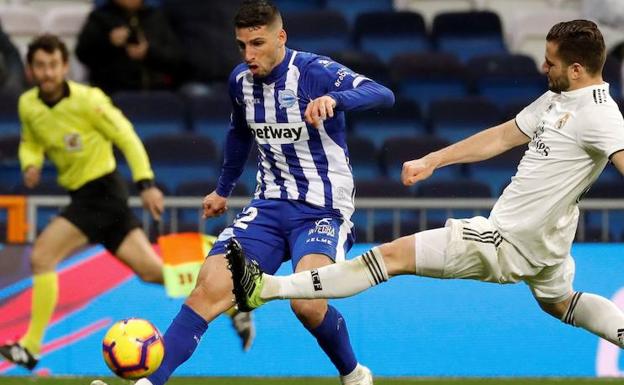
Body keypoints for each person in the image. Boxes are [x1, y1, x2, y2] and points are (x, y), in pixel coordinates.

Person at [228, 19, 624, 357]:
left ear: (576, 69)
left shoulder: (600, 116)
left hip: (508, 239)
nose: (542, 67)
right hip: (548, 242)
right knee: (560, 304)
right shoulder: (558, 99)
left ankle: (266, 288)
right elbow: (502, 137)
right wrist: (433, 159)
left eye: (550, 62)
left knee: (391, 256)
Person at [91, 1, 394, 384]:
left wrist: (336, 99)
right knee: (207, 288)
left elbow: (381, 93)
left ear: (280, 37)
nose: (249, 55)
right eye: (242, 45)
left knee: (307, 302)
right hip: (268, 208)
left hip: (323, 211)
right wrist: (222, 190)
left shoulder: (315, 72)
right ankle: (149, 382)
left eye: (257, 43)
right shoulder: (240, 82)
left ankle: (353, 374)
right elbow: (238, 135)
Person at [0, 34, 252, 371]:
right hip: (88, 197)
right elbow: (30, 140)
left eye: (53, 65)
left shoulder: (89, 100)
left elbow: (126, 136)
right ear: (31, 70)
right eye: (40, 66)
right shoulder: (28, 104)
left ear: (64, 67)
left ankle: (30, 347)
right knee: (152, 272)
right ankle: (234, 292)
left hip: (101, 191)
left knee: (43, 254)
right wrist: (30, 161)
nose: (47, 73)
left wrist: (146, 184)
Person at [75, 0, 183, 94]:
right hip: (114, 90)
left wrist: (148, 52)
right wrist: (109, 43)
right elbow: (82, 54)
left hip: (156, 90)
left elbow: (176, 58)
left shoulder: (155, 16)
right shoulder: (99, 17)